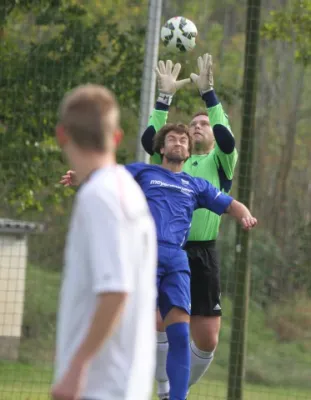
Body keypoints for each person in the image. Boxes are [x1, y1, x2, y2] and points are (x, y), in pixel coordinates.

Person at [61, 123, 256, 400]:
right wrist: (82, 176)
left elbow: (229, 203)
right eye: (172, 140)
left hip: (177, 262)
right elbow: (107, 176)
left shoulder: (195, 185)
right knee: (126, 330)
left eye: (183, 141)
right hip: (145, 256)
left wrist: (244, 214)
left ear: (188, 152)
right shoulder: (144, 172)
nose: (178, 143)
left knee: (179, 335)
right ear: (161, 149)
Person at [141, 54, 238, 399]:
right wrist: (163, 98)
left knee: (208, 338)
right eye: (193, 123)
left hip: (203, 252)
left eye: (204, 123)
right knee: (158, 321)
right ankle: (165, 386)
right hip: (168, 250)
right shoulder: (171, 158)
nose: (198, 126)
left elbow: (227, 139)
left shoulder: (220, 160)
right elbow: (149, 138)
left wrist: (209, 96)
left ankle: (175, 388)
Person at [51, 84, 157, 400]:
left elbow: (115, 291)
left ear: (62, 134)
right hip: (125, 384)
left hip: (99, 387)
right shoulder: (128, 190)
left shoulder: (99, 197)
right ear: (116, 137)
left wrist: (77, 366)